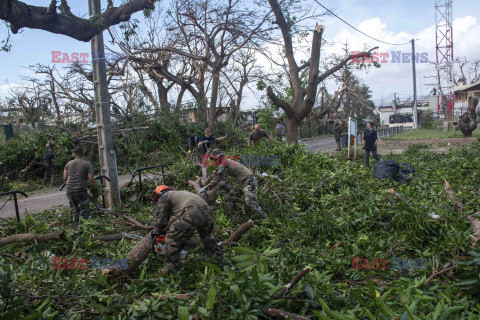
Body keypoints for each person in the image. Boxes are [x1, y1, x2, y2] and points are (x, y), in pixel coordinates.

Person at [153, 185, 223, 275]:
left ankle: (170, 269)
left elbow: (161, 220)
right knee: (207, 237)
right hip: (208, 212)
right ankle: (218, 259)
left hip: (192, 212)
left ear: (158, 195)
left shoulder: (164, 197)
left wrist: (158, 232)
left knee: (172, 238)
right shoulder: (178, 195)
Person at [198, 149, 266, 218]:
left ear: (220, 157)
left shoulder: (224, 163)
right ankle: (229, 217)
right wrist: (205, 182)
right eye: (213, 159)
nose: (214, 161)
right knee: (230, 197)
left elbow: (217, 179)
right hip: (241, 182)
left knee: (250, 202)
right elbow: (214, 174)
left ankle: (264, 217)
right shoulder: (223, 162)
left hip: (248, 180)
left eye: (215, 159)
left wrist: (206, 188)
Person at [63, 147, 98, 226]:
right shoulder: (87, 164)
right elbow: (91, 179)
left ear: (75, 155)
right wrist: (96, 188)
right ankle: (81, 229)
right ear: (83, 154)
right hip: (80, 190)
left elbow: (65, 177)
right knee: (84, 210)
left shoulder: (68, 163)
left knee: (75, 209)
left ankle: (75, 227)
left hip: (69, 190)